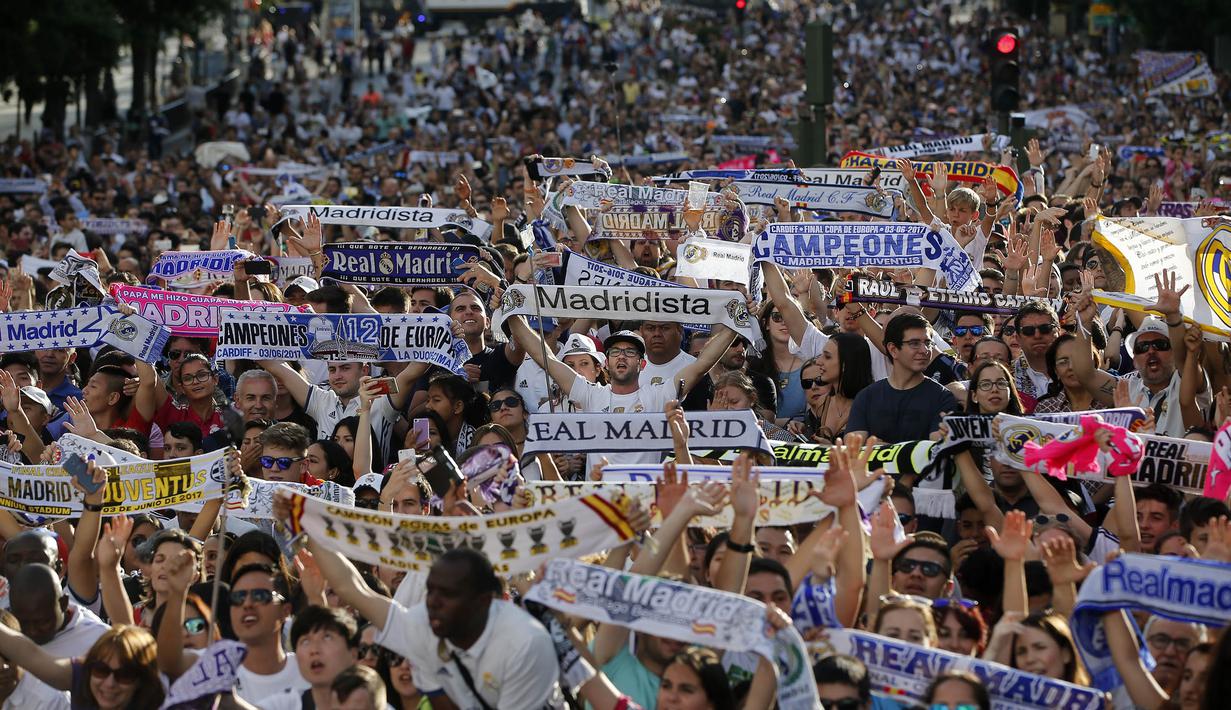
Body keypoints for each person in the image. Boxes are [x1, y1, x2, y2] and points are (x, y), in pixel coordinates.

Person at [846, 313, 960, 443]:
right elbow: (853, 448)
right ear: (893, 349)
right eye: (914, 343)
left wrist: (882, 448)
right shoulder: (867, 397)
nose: (924, 350)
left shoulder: (942, 398)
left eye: (928, 343)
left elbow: (935, 448)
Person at [0, 623, 162, 709]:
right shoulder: (82, 679)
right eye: (101, 670)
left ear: (141, 680)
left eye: (124, 675)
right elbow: (28, 653)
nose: (109, 683)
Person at [229, 563, 308, 703]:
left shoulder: (309, 670)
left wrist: (317, 597)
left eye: (259, 596)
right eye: (238, 597)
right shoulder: (213, 674)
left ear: (286, 611)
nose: (247, 604)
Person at [258, 606, 360, 709]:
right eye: (305, 641)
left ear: (353, 654)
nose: (314, 650)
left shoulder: (373, 702)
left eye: (327, 637)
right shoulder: (283, 705)